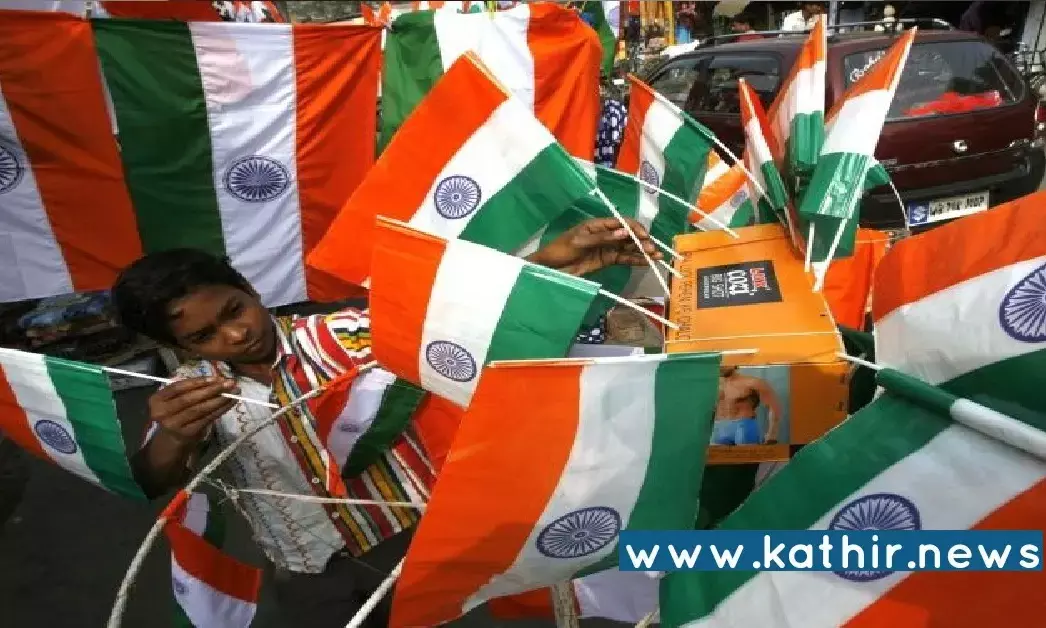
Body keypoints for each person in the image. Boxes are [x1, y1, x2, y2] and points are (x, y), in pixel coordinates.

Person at [112, 218, 661, 628]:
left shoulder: (346, 336)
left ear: (251, 291)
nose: (234, 336)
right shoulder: (190, 395)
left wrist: (554, 261)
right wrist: (175, 436)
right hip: (307, 569)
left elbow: (457, 318)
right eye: (203, 336)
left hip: (411, 545)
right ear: (179, 347)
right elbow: (152, 476)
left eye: (234, 311)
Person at [711, 366, 784, 446]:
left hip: (743, 426)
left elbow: (774, 407)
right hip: (718, 427)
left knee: (747, 454)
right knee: (717, 454)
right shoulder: (711, 385)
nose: (722, 366)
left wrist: (772, 434)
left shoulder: (752, 383)